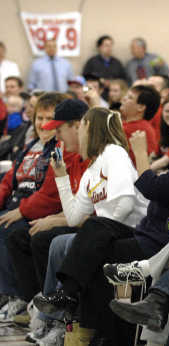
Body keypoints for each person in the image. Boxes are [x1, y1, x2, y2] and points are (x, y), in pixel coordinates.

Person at [35, 99, 169, 344]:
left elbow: (151, 190)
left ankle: (83, 317)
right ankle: (83, 319)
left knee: (92, 244)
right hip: (148, 234)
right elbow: (73, 218)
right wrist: (61, 178)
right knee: (86, 242)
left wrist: (142, 153)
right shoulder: (94, 166)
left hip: (159, 241)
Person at [6, 98, 90, 341]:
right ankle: (33, 301)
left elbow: (92, 210)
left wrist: (52, 219)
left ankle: (55, 316)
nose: (56, 135)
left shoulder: (94, 157)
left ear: (77, 126)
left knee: (45, 240)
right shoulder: (66, 152)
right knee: (19, 234)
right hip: (73, 217)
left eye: (59, 129)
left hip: (94, 225)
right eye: (40, 121)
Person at [0, 93, 68, 321]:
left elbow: (51, 195)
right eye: (39, 117)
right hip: (17, 204)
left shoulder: (60, 149)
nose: (42, 123)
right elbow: (9, 180)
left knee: (10, 231)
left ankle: (19, 297)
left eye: (49, 118)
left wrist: (21, 210)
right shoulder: (31, 145)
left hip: (38, 209)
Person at [120, 84, 161, 163]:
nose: (124, 99)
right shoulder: (130, 125)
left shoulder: (139, 129)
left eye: (130, 97)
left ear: (141, 107)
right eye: (126, 96)